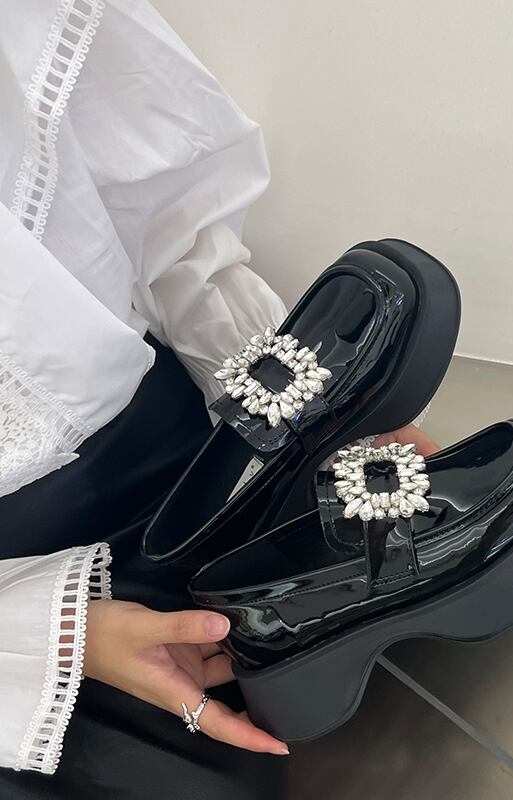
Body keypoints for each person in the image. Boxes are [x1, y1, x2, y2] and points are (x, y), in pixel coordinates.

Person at [0, 2, 436, 797]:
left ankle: (267, 482)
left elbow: (153, 199)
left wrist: (305, 406)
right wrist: (50, 634)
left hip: (167, 453)